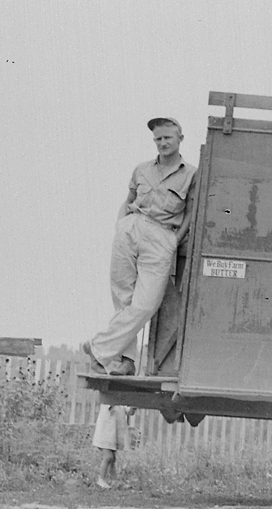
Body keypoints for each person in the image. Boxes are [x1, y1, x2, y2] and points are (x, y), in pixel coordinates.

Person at [83, 117, 197, 376]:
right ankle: (126, 362)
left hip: (162, 236)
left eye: (167, 138)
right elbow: (129, 199)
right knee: (124, 299)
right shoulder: (142, 169)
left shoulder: (191, 173)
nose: (163, 143)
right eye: (158, 139)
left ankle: (98, 347)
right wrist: (120, 224)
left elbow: (191, 211)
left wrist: (174, 240)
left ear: (180, 139)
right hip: (131, 229)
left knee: (146, 304)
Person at [92, 404, 133, 488]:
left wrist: (134, 406)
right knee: (108, 457)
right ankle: (101, 479)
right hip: (104, 433)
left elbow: (129, 411)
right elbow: (110, 406)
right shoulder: (108, 401)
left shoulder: (121, 402)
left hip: (113, 435)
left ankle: (114, 480)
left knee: (113, 459)